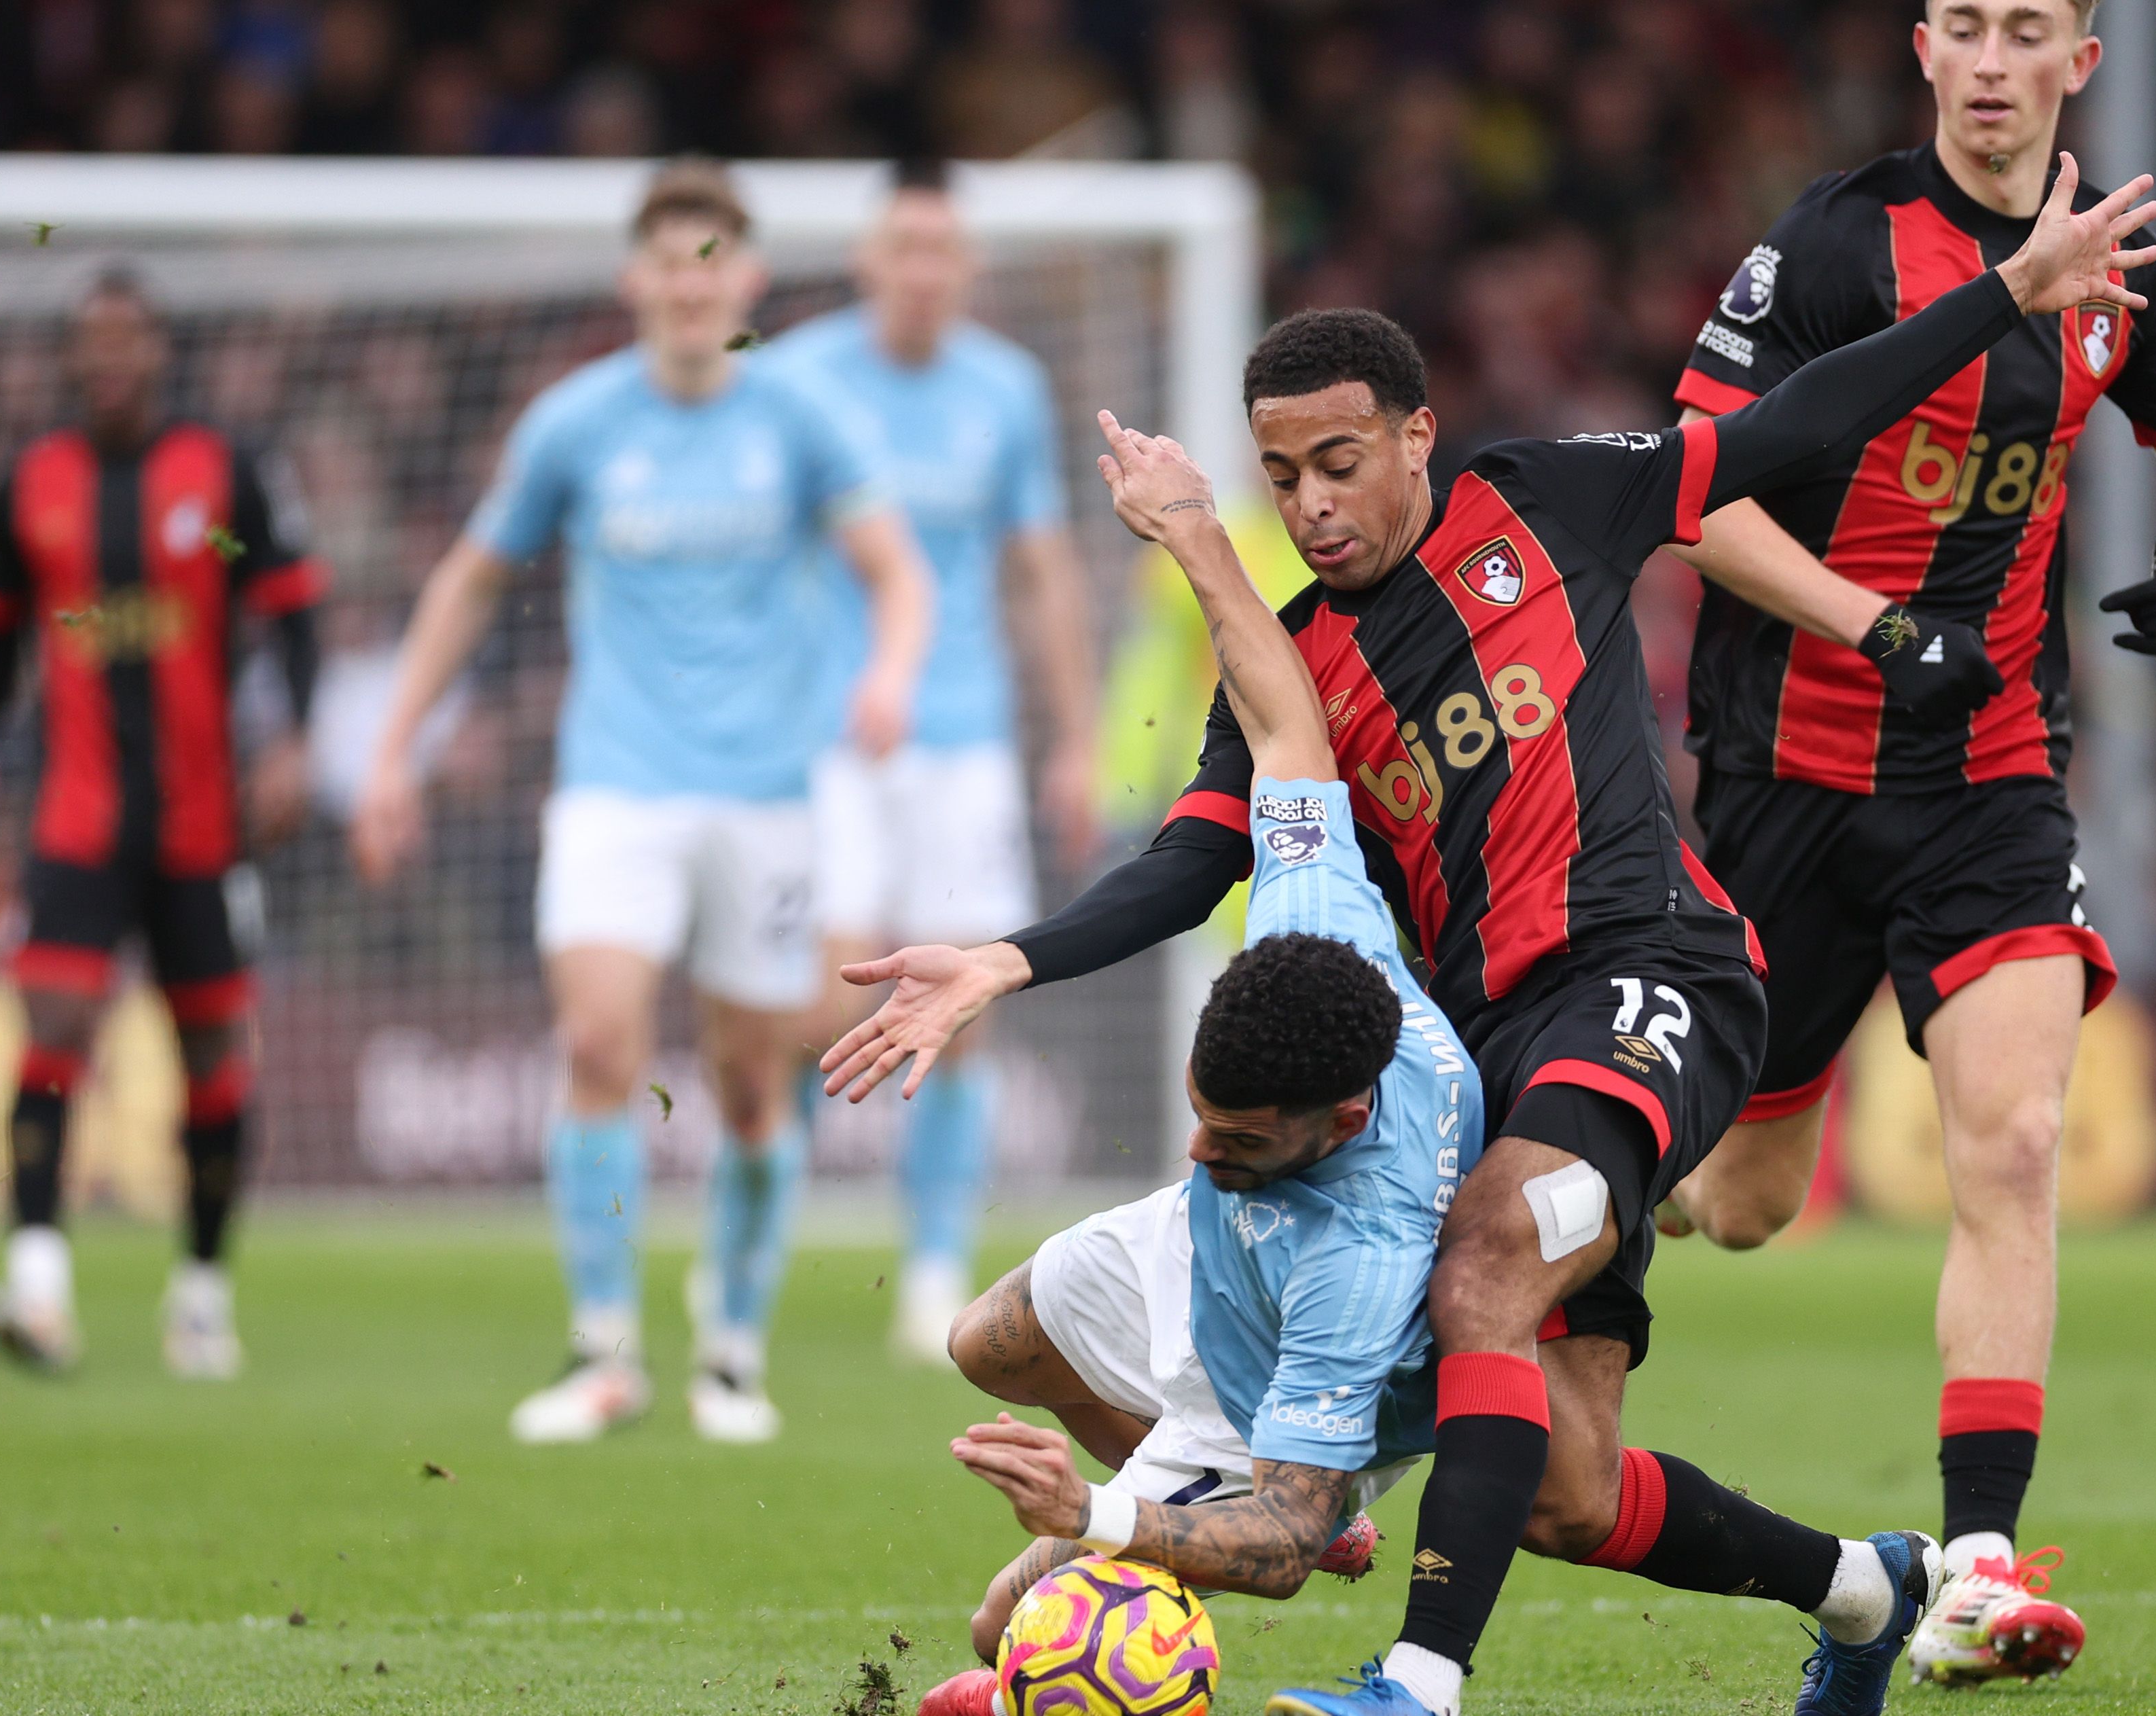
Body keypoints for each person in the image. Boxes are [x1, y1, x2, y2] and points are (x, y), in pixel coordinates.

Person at [826, 160, 2156, 1716]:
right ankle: (1868, 1594)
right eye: (1278, 477)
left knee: (1477, 1274)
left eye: (1338, 463)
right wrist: (1004, 958)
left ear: (1412, 438)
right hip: (1482, 1052)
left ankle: (1416, 1681)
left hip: (1652, 975)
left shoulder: (1546, 498)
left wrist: (2004, 291)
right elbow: (1190, 862)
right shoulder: (1291, 666)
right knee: (1564, 1486)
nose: (1311, 505)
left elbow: (1793, 426)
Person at [1657, 0, 2156, 1683]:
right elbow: (1693, 496)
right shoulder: (1838, 246)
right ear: (1923, 50)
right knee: (1744, 1203)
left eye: (2029, 33)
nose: (1992, 64)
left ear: (2080, 62)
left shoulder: (2124, 273)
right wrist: (1869, 626)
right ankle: (1627, 1212)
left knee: (2008, 1143)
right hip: (1785, 772)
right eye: (1967, 29)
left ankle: (1978, 1566)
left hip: (1990, 776)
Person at [348, 158, 933, 1446]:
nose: (689, 284)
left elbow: (895, 571)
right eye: (670, 263)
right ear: (635, 281)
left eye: (712, 260)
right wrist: (394, 746)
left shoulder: (800, 418)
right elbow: (468, 582)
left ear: (749, 278)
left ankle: (730, 1344)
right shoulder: (575, 422)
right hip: (615, 785)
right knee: (601, 1046)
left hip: (767, 798)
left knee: (746, 1082)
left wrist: (889, 674)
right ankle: (605, 1347)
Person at [911, 410, 1473, 1716]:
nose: (1197, 1149)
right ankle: (1181, 1497)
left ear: (1338, 1121)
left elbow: (1272, 1558)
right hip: (1223, 1250)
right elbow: (1288, 728)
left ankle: (1208, 1500)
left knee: (1010, 1619)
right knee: (987, 1337)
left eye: (1235, 1137)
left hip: (1280, 1349)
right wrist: (1193, 530)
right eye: (1201, 1118)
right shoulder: (1316, 922)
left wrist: (1103, 1512)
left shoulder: (1368, 1249)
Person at [0, 266, 325, 1380]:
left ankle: (200, 1292)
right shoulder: (32, 486)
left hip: (204, 825)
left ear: (157, 352)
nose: (107, 358)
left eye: (125, 339)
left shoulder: (222, 474)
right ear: (70, 358)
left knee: (213, 1057)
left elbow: (291, 606)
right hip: (78, 819)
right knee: (50, 1022)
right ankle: (39, 1286)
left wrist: (294, 735)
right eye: (88, 341)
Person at [769, 158, 1100, 1365]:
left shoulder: (1004, 391)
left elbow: (1042, 566)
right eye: (902, 247)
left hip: (964, 740)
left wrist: (1074, 739)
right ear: (869, 261)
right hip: (830, 739)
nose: (922, 271)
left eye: (942, 251)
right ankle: (761, 1242)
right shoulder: (799, 379)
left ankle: (932, 1269)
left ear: (966, 269)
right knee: (816, 1000)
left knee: (965, 1004)